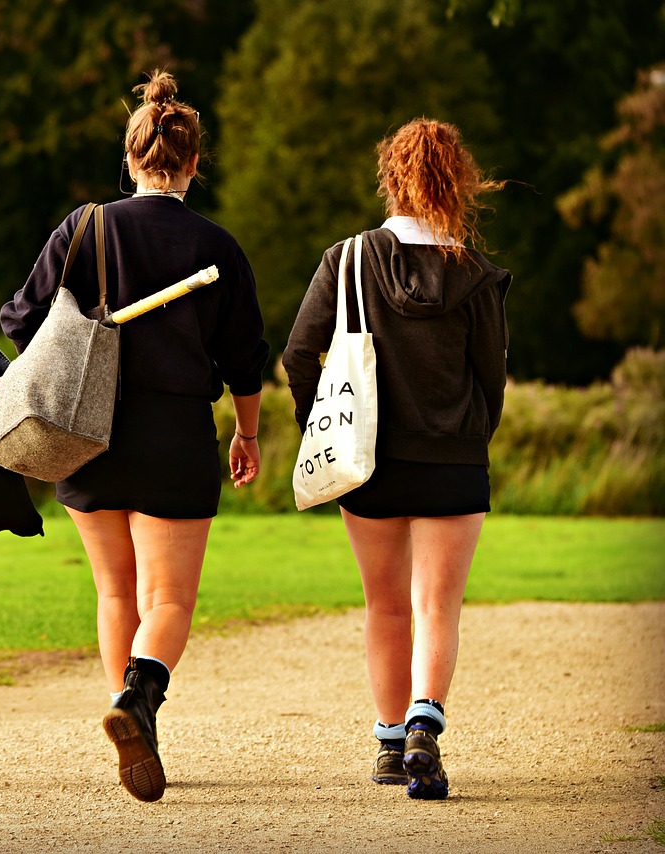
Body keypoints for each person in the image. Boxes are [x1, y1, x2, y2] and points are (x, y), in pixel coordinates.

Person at [0, 69, 269, 803]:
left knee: (116, 590)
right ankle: (139, 700)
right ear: (191, 163)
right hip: (176, 435)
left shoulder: (83, 227)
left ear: (132, 157)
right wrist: (247, 432)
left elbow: (19, 320)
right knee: (170, 599)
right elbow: (246, 358)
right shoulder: (218, 245)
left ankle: (131, 716)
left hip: (86, 434)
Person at [283, 118, 511, 800]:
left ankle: (388, 744)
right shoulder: (475, 274)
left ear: (391, 179)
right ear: (459, 183)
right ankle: (423, 727)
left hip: (368, 460)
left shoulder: (347, 259)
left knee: (384, 607)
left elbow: (299, 355)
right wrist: (472, 437)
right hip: (454, 461)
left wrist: (318, 424)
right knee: (437, 605)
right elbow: (491, 378)